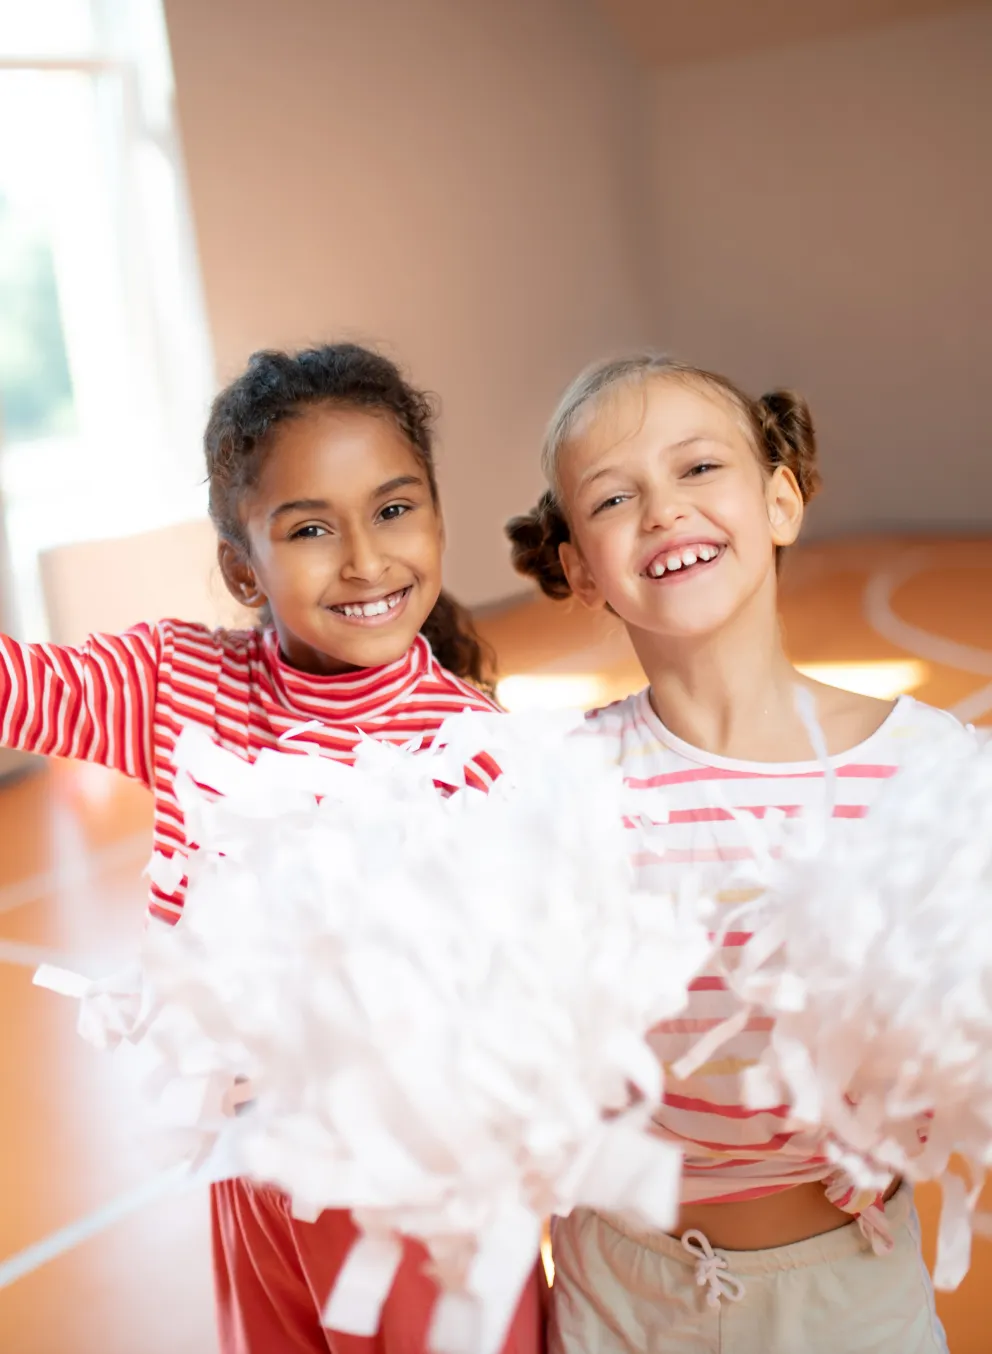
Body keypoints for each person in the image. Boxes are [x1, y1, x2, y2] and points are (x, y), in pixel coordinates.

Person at [0, 343, 545, 1354]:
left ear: (435, 513)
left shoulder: (479, 749)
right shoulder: (179, 686)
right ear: (239, 566)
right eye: (306, 528)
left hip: (421, 1194)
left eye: (393, 509)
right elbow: (18, 685)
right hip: (254, 1174)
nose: (364, 559)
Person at [507, 353, 950, 1353]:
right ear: (578, 565)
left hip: (848, 1288)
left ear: (779, 500)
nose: (663, 509)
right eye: (614, 496)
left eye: (698, 468)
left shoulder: (928, 770)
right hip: (618, 1289)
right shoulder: (558, 784)